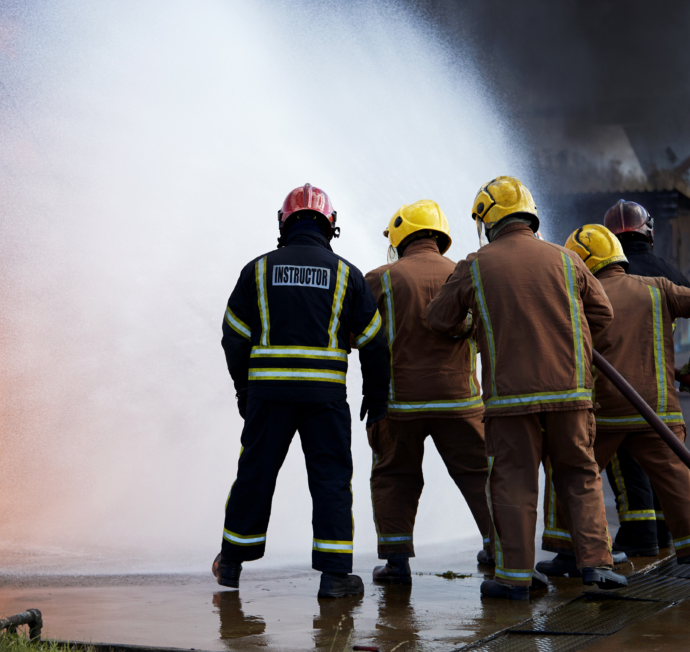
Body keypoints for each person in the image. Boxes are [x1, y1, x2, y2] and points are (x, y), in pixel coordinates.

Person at [425, 176, 626, 600]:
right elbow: (602, 314)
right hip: (571, 394)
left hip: (509, 399)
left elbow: (439, 319)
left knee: (513, 482)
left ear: (487, 220)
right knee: (580, 475)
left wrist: (474, 323)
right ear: (531, 213)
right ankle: (597, 567)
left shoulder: (475, 265)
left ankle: (515, 577)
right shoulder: (568, 261)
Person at [214, 183, 390, 599]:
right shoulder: (347, 274)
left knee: (254, 476)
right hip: (325, 401)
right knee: (330, 480)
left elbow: (233, 336)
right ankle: (334, 577)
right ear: (331, 226)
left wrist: (245, 390)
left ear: (284, 223)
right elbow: (374, 342)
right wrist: (377, 397)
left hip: (267, 397)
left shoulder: (256, 271)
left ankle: (232, 566)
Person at [536, 226, 690, 572]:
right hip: (658, 409)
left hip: (604, 413)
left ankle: (569, 552)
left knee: (570, 472)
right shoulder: (658, 289)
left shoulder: (578, 297)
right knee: (678, 481)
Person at [363, 199, 493, 584]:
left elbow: (360, 337)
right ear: (440, 237)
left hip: (400, 402)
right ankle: (499, 548)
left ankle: (397, 561)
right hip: (461, 399)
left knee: (394, 475)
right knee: (479, 473)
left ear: (401, 238)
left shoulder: (380, 279)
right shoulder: (464, 273)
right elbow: (484, 330)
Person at [601, 199, 689, 556]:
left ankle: (641, 532)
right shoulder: (668, 274)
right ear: (648, 231)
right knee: (668, 467)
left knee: (624, 461)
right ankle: (669, 533)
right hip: (661, 387)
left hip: (615, 385)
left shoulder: (600, 279)